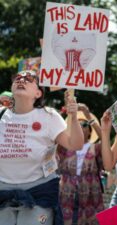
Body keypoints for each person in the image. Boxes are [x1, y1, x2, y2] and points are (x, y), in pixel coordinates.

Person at [0, 70, 84, 225]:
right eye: (18, 78)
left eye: (29, 79)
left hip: (39, 192)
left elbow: (75, 144)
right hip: (2, 192)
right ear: (11, 88)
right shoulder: (1, 115)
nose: (22, 79)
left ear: (38, 93)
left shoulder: (49, 116)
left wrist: (74, 117)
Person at [57, 99, 104, 225]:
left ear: (90, 130)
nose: (81, 127)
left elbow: (105, 138)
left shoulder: (96, 147)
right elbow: (54, 135)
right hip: (66, 193)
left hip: (91, 194)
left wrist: (88, 115)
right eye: (77, 124)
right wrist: (69, 115)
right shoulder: (64, 146)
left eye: (84, 125)